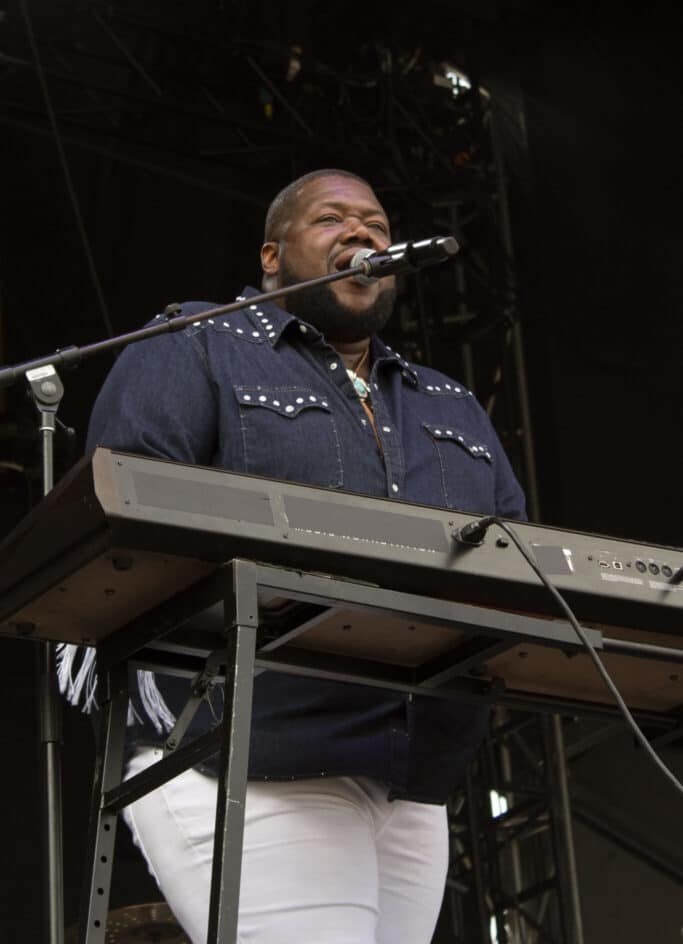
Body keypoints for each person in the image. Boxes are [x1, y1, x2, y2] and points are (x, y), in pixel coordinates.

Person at [84, 169, 526, 944]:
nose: (361, 234)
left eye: (376, 226)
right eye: (331, 219)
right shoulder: (196, 342)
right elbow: (128, 532)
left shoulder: (446, 403)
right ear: (271, 256)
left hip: (412, 772)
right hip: (245, 747)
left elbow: (516, 567)